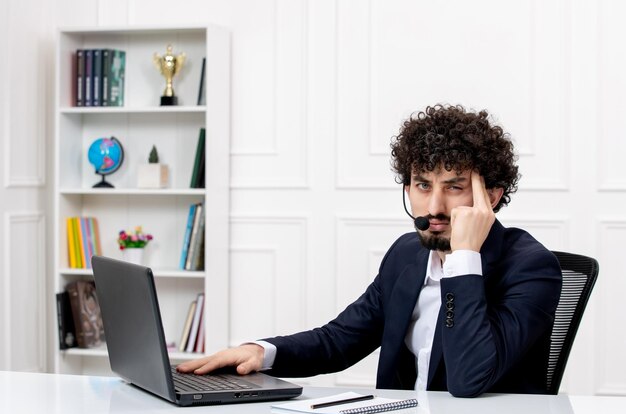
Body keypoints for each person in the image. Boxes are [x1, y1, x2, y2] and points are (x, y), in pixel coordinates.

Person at [177, 104, 562, 398]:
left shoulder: (532, 268)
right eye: (423, 185)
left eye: (454, 186)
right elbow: (340, 339)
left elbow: (469, 380)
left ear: (490, 196)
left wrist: (464, 259)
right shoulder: (406, 255)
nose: (434, 207)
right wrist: (261, 352)